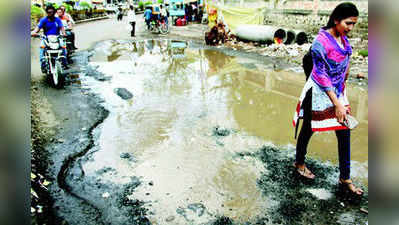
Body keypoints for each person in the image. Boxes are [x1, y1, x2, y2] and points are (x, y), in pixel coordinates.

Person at [292, 2, 363, 196]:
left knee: (344, 130)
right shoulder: (320, 43)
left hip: (337, 91)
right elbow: (321, 74)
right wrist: (337, 103)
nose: (350, 28)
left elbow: (346, 59)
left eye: (353, 24)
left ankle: (345, 178)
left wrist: (343, 89)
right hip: (319, 90)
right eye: (348, 23)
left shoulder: (343, 38)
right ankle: (299, 163)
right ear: (336, 19)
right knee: (309, 128)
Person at [31, 5, 67, 72]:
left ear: (54, 12)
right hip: (46, 38)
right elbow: (37, 29)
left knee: (63, 46)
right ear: (46, 12)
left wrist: (64, 33)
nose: (50, 13)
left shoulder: (57, 20)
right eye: (49, 12)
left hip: (57, 38)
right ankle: (43, 65)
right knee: (42, 49)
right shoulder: (43, 20)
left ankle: (64, 62)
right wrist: (33, 32)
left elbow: (62, 28)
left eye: (52, 12)